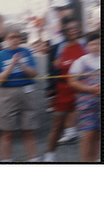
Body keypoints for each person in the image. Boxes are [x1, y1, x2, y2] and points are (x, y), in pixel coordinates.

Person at [0, 25, 40, 162]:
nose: (15, 39)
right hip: (7, 94)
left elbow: (34, 73)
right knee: (7, 132)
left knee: (29, 131)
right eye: (12, 37)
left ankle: (33, 159)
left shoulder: (27, 52)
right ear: (6, 39)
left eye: (18, 36)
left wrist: (22, 65)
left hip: (27, 92)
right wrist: (12, 65)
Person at [43, 16, 86, 162]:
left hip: (81, 91)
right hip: (62, 92)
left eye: (76, 28)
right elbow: (52, 73)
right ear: (64, 31)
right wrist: (50, 95)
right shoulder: (58, 48)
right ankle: (50, 156)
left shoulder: (85, 45)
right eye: (70, 28)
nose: (73, 31)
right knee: (57, 127)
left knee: (88, 129)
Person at [68, 31, 100, 162]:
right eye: (92, 44)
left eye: (98, 43)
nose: (95, 46)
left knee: (97, 135)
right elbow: (72, 81)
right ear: (87, 46)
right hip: (86, 105)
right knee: (87, 135)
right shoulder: (81, 61)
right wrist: (90, 89)